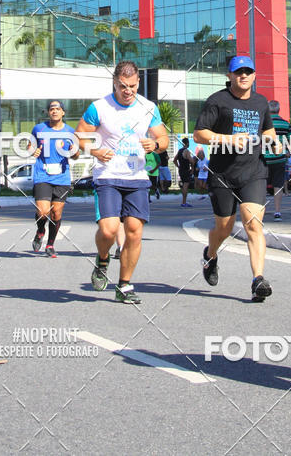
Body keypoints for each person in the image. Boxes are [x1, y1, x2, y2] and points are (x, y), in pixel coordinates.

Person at [76, 60, 169, 304]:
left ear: (138, 82)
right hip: (107, 175)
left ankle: (124, 285)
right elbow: (79, 137)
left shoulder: (148, 107)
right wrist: (96, 151)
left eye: (132, 86)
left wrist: (155, 144)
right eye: (123, 86)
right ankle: (102, 259)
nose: (128, 91)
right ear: (115, 83)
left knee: (134, 232)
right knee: (108, 230)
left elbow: (163, 138)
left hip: (137, 177)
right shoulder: (99, 107)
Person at [193, 55, 280, 301]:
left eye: (248, 72)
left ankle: (258, 280)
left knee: (254, 224)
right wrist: (228, 139)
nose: (243, 76)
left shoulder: (261, 102)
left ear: (254, 75)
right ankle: (210, 255)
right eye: (238, 72)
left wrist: (272, 142)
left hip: (254, 172)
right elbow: (199, 134)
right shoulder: (217, 101)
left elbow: (268, 129)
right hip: (222, 174)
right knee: (224, 228)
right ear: (229, 76)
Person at [30, 100, 77, 257]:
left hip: (62, 177)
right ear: (48, 112)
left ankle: (50, 245)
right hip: (42, 175)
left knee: (56, 213)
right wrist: (32, 151)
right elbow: (29, 146)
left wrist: (74, 151)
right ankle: (40, 230)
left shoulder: (70, 131)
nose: (54, 111)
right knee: (43, 211)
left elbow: (76, 155)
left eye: (57, 109)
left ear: (63, 112)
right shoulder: (39, 128)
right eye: (51, 109)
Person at [267, 100, 291, 220]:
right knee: (278, 185)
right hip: (279, 159)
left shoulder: (263, 123)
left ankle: (260, 211)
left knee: (260, 186)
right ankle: (277, 212)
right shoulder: (286, 124)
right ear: (279, 110)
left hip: (264, 159)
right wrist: (288, 152)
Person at [174, 137, 195, 207]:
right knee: (185, 186)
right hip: (186, 170)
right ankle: (184, 202)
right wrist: (192, 168)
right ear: (187, 143)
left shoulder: (179, 151)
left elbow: (174, 160)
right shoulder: (186, 151)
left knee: (183, 186)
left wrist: (178, 166)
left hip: (181, 170)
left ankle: (184, 202)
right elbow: (192, 161)